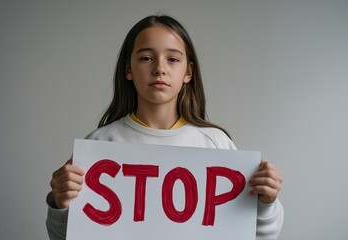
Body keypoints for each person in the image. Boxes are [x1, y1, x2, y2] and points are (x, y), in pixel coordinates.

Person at [46, 15, 284, 240]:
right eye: (146, 58)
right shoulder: (99, 144)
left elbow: (256, 235)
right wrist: (59, 203)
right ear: (128, 69)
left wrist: (266, 203)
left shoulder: (216, 144)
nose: (160, 68)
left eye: (172, 59)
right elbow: (68, 236)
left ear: (188, 72)